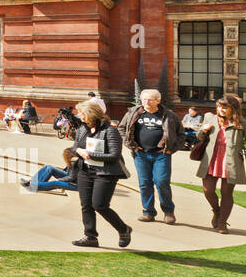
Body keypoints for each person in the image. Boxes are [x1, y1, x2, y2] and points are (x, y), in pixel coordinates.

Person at [195, 93, 246, 233]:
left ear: (233, 109)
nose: (220, 110)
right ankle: (217, 211)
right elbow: (200, 137)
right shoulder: (210, 118)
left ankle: (222, 223)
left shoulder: (243, 123)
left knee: (226, 193)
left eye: (224, 107)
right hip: (211, 159)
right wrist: (203, 130)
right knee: (208, 190)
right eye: (219, 107)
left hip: (231, 162)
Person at [70, 97, 131, 248]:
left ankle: (123, 229)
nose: (79, 116)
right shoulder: (82, 129)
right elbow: (74, 147)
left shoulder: (110, 131)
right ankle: (90, 236)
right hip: (85, 171)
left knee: (99, 205)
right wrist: (78, 150)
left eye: (81, 113)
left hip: (105, 173)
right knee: (86, 205)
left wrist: (90, 155)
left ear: (90, 114)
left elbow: (114, 155)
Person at [118, 88, 182, 225]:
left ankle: (168, 212)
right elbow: (122, 129)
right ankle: (148, 212)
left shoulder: (169, 115)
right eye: (144, 99)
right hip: (140, 154)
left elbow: (181, 134)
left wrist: (172, 149)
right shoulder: (133, 113)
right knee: (144, 183)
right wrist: (132, 145)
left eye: (150, 99)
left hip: (161, 155)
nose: (147, 102)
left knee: (161, 182)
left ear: (158, 101)